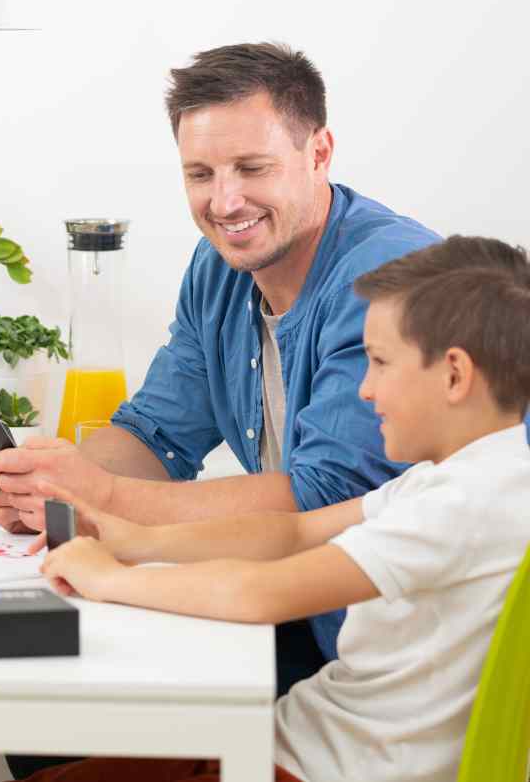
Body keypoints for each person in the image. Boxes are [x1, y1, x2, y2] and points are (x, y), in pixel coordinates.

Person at [0, 43, 444, 726]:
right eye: (200, 174)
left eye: (252, 168)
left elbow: (323, 501)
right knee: (43, 696)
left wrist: (100, 495)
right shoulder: (221, 265)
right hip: (294, 618)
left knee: (72, 708)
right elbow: (156, 433)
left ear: (319, 153)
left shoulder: (390, 279)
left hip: (380, 660)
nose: (225, 201)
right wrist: (52, 483)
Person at [31, 235, 530, 782]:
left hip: (317, 767)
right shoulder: (458, 479)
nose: (363, 390)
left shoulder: (463, 505)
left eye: (381, 363)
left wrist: (105, 579)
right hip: (292, 741)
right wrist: (127, 539)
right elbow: (291, 534)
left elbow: (261, 593)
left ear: (454, 375)